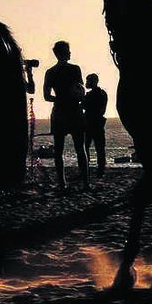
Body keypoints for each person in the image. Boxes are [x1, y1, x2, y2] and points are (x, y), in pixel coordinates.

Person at [42, 41, 89, 192]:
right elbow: (81, 91)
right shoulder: (75, 69)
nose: (70, 53)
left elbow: (47, 96)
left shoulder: (50, 72)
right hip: (74, 112)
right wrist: (73, 99)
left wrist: (60, 99)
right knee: (80, 149)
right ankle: (86, 183)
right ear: (63, 53)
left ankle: (62, 184)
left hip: (59, 113)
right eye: (68, 50)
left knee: (58, 151)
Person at [83, 73, 109, 175]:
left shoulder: (93, 95)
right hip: (96, 123)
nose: (86, 83)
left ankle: (88, 168)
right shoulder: (102, 94)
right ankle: (100, 169)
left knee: (87, 147)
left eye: (88, 80)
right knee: (99, 148)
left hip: (92, 123)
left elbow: (85, 106)